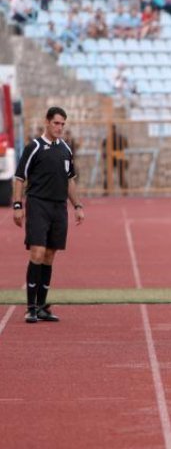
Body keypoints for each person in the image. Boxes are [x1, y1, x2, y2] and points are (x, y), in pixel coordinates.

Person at [13, 107, 85, 323]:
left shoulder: (66, 149)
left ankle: (42, 306)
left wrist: (78, 206)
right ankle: (31, 307)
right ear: (47, 122)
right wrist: (17, 205)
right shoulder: (34, 147)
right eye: (56, 123)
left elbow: (69, 180)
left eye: (63, 124)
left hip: (58, 208)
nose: (60, 127)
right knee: (37, 252)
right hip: (38, 205)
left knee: (50, 255)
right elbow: (19, 177)